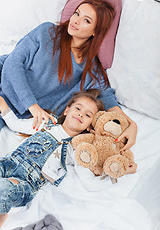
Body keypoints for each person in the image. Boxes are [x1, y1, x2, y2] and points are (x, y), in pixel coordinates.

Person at [0, 0, 137, 151]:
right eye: (77, 13)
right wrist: (33, 106)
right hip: (3, 84)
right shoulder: (47, 32)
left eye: (86, 20)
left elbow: (107, 98)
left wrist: (131, 124)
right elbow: (12, 64)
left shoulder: (91, 70)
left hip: (12, 111)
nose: (76, 21)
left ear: (95, 31)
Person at [0, 89, 105, 226]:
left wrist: (109, 171)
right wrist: (3, 105)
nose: (80, 114)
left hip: (27, 182)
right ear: (67, 110)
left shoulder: (76, 149)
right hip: (10, 163)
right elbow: (17, 124)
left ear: (89, 127)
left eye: (87, 115)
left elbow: (87, 177)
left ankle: (2, 218)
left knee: (3, 188)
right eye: (78, 108)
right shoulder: (47, 123)